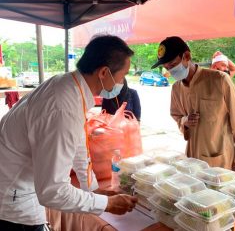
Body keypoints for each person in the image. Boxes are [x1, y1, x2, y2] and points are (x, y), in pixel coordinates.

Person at [0, 35, 138, 230]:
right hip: (13, 204)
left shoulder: (69, 86)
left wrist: (92, 190)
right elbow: (52, 191)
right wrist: (106, 204)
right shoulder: (62, 107)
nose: (123, 82)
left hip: (18, 188)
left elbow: (78, 144)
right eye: (122, 75)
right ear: (104, 72)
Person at [152, 36, 235, 178]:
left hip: (219, 159)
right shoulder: (176, 88)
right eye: (167, 68)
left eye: (173, 65)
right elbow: (176, 116)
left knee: (218, 197)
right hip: (192, 160)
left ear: (187, 56)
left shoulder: (219, 80)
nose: (170, 71)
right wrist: (185, 121)